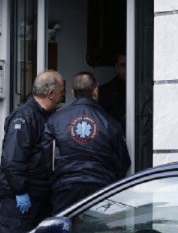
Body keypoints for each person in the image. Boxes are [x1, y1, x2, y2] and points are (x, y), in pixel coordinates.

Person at [43, 72, 131, 214]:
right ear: (96, 91)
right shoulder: (110, 122)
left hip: (66, 189)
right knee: (96, 228)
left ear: (73, 92)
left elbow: (45, 160)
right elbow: (123, 162)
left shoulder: (55, 120)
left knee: (64, 226)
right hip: (100, 190)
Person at [0, 70, 65, 233]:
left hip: (40, 198)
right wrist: (21, 190)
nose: (63, 96)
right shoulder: (24, 117)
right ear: (51, 94)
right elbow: (13, 159)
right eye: (61, 92)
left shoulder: (47, 116)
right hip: (20, 203)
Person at [98, 53, 126, 132]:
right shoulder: (104, 91)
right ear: (117, 67)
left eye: (131, 66)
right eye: (123, 66)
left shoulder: (145, 89)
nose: (128, 70)